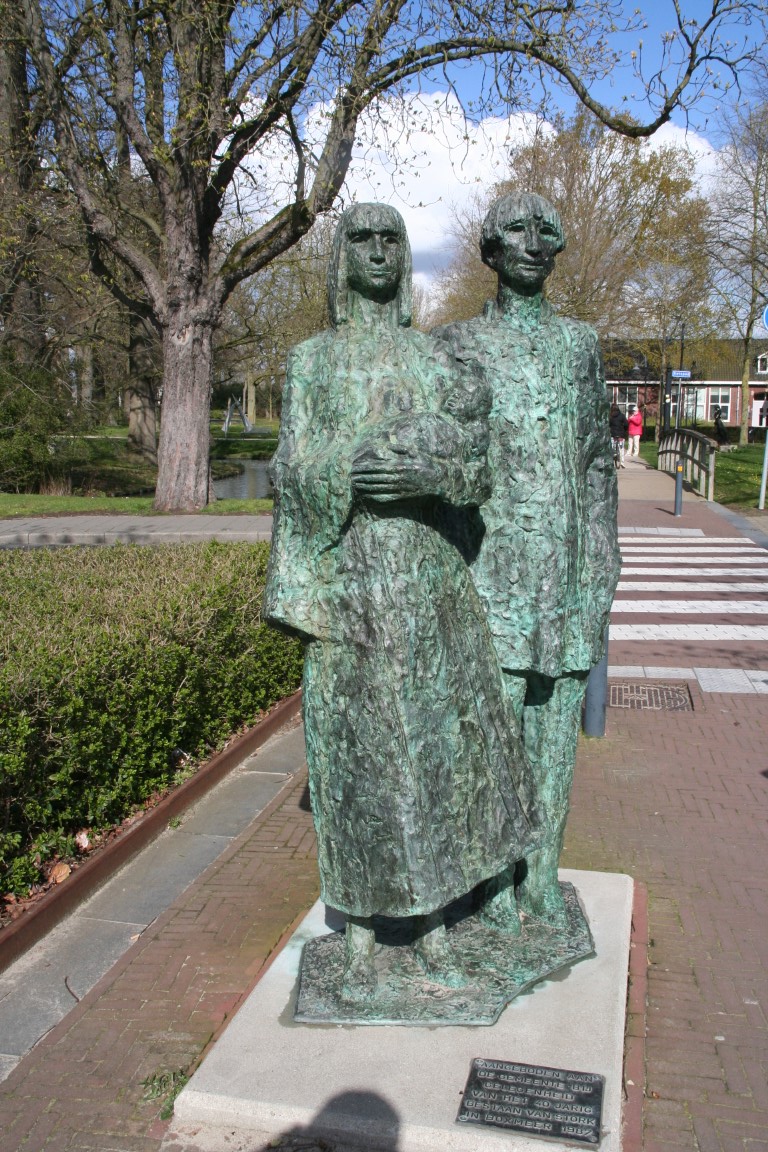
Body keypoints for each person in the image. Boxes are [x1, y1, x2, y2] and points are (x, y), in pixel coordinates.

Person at [263, 203, 540, 1002]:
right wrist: (346, 470)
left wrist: (433, 475)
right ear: (342, 256)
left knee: (435, 754)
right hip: (350, 584)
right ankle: (359, 929)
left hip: (430, 584)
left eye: (392, 240)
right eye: (363, 240)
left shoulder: (433, 356)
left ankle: (434, 924)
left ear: (405, 254)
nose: (379, 253)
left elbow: (480, 470)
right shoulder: (312, 360)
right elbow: (288, 469)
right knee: (356, 757)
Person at [434, 191, 621, 928]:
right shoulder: (455, 345)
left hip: (568, 573)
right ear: (491, 247)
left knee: (555, 728)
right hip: (489, 574)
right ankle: (491, 888)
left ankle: (540, 877)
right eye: (518, 229)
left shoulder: (579, 343)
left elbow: (597, 460)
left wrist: (602, 558)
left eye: (548, 230)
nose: (535, 242)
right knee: (493, 736)